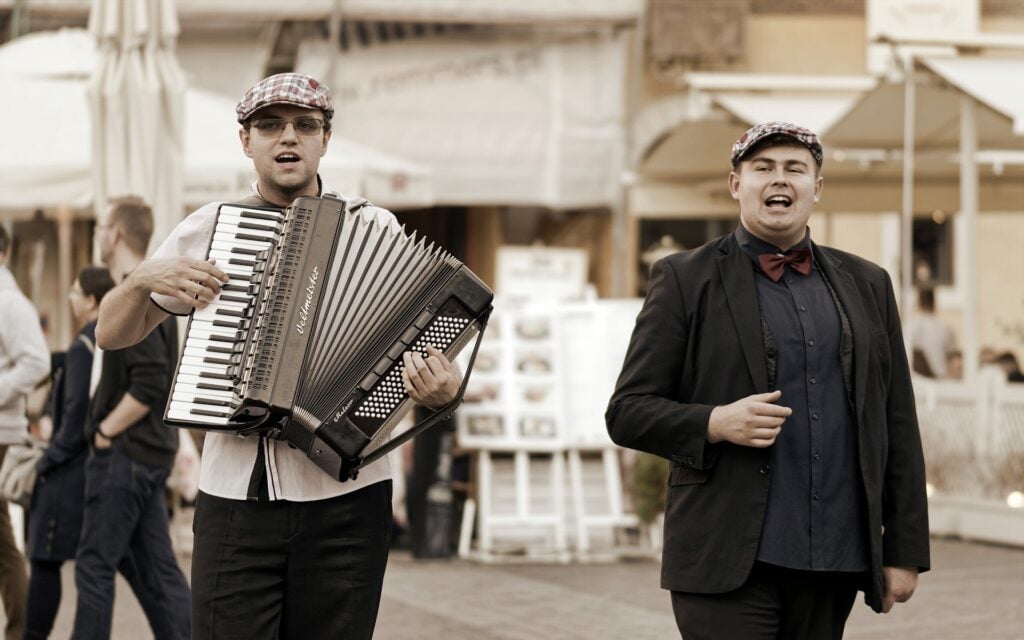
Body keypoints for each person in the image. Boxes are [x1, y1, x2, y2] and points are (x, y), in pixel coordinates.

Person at [93, 73, 462, 639]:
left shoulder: (375, 227)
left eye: (304, 125)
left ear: (324, 139)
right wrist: (141, 279)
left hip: (348, 499)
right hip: (236, 498)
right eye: (270, 125)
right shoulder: (209, 228)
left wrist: (444, 389)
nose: (287, 137)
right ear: (246, 140)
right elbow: (111, 335)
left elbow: (429, 355)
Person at [606, 122, 930, 639]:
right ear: (737, 184)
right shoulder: (685, 279)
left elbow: (897, 421)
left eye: (794, 169)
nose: (779, 179)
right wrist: (714, 421)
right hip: (724, 557)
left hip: (833, 558)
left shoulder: (868, 283)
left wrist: (905, 550)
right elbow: (627, 411)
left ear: (816, 189)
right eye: (763, 168)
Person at [72, 199, 190, 640]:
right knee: (156, 570)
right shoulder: (149, 288)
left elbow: (151, 379)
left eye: (101, 226)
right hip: (147, 453)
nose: (98, 235)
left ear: (116, 234)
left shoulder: (134, 291)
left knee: (94, 566)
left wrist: (104, 432)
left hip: (127, 454)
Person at [25, 266, 114, 639]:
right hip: (93, 466)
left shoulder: (83, 345)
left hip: (67, 472)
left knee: (45, 559)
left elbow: (75, 414)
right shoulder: (106, 341)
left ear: (92, 301)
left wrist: (47, 460)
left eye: (76, 292)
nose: (70, 298)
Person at [0, 225, 49, 640]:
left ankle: (19, 631)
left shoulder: (10, 303)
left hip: (0, 432)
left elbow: (36, 362)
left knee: (2, 541)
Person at [910, 288, 957, 378]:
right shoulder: (945, 327)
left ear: (918, 304)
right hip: (941, 378)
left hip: (918, 381)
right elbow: (952, 356)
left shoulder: (911, 326)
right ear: (934, 303)